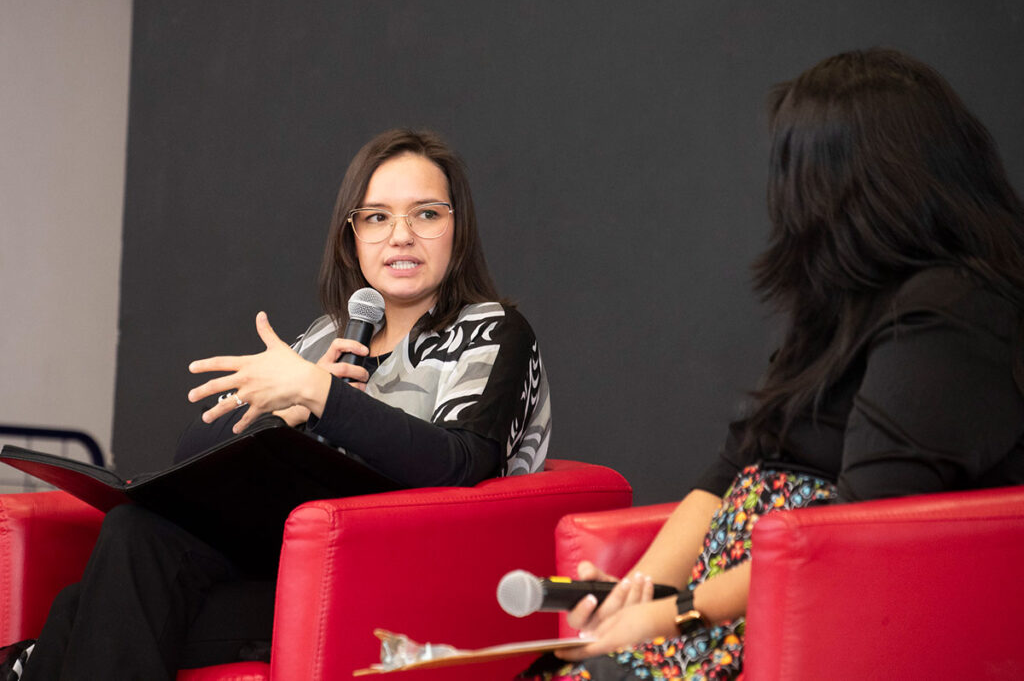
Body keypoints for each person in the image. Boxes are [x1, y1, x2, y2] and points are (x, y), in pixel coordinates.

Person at [520, 48, 1024, 681]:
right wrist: (639, 594)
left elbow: (860, 531)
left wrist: (675, 614)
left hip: (797, 628)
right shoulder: (841, 301)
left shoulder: (951, 311)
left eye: (796, 171)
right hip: (719, 620)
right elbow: (734, 465)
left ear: (855, 183)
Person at [3, 128, 551, 681]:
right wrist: (287, 413)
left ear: (458, 228)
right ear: (351, 236)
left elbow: (461, 462)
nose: (401, 236)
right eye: (377, 217)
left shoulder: (494, 333)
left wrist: (323, 397)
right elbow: (189, 456)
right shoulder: (323, 338)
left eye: (426, 214)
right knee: (132, 533)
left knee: (89, 616)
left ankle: (30, 664)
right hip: (280, 566)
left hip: (395, 581)